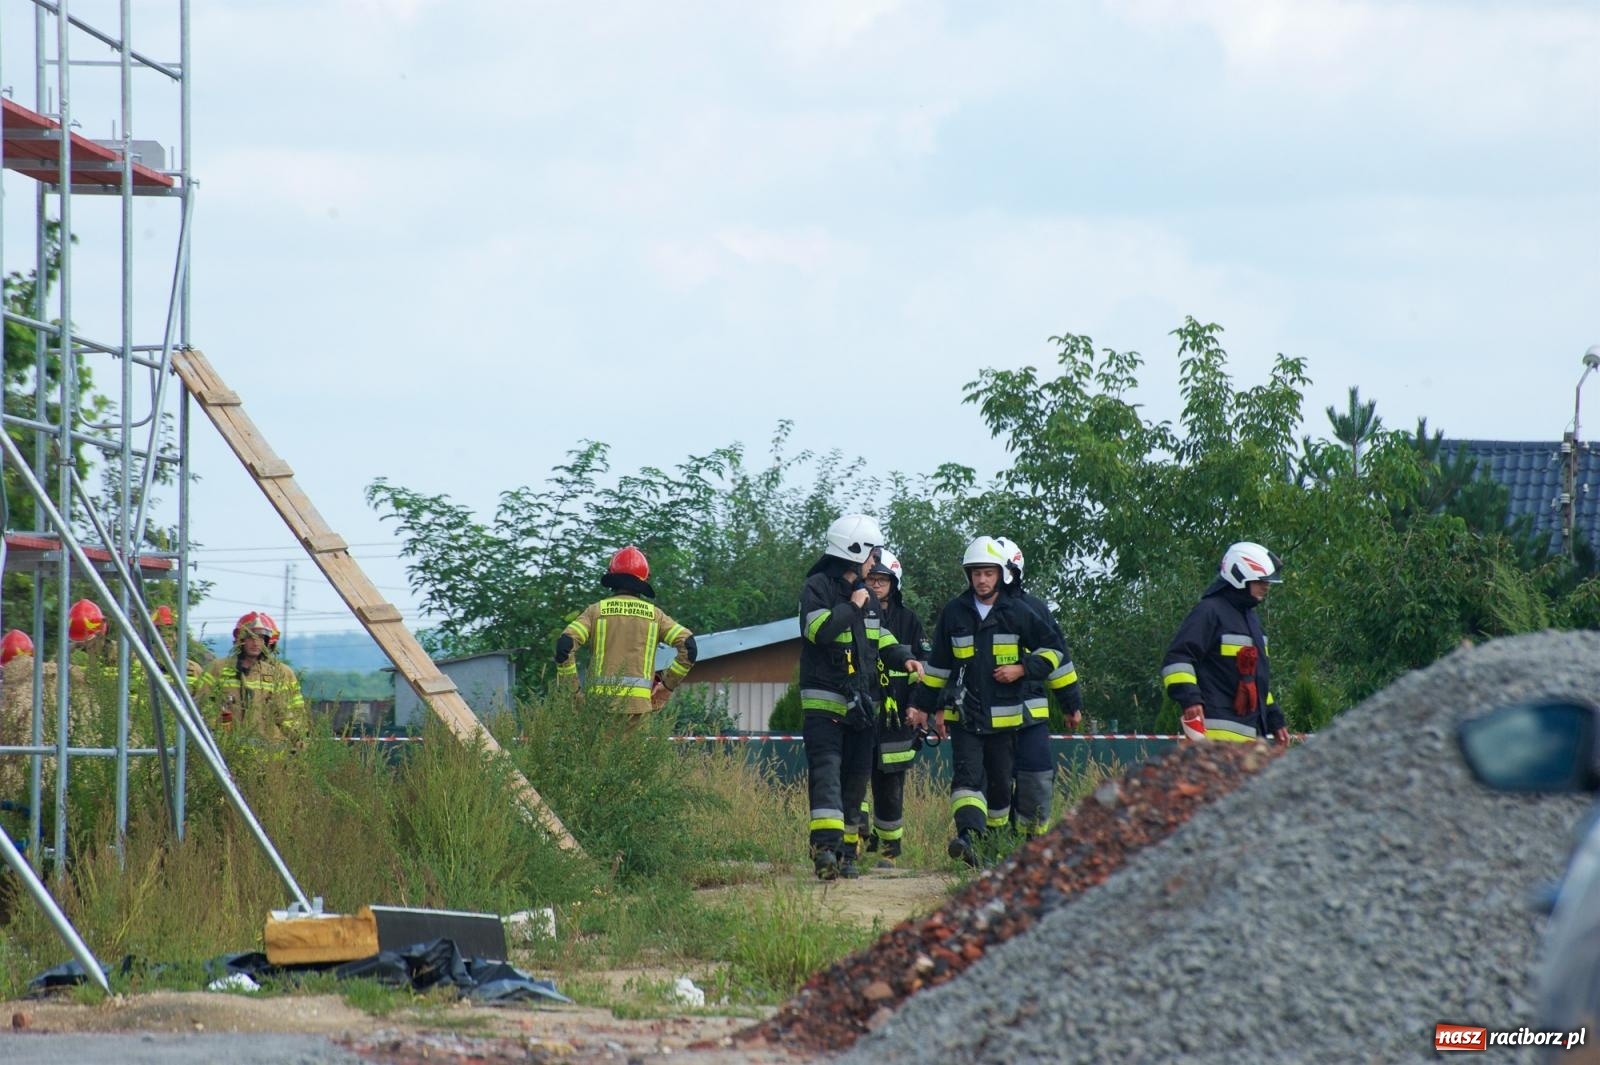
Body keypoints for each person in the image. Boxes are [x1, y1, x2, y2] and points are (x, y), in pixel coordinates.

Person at [910, 536, 1066, 867]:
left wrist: (1024, 668)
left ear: (1001, 575)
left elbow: (1054, 651)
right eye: (976, 573)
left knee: (998, 788)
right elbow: (937, 666)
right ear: (969, 576)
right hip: (965, 714)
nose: (982, 580)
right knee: (966, 778)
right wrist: (923, 706)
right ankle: (968, 836)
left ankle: (990, 848)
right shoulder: (954, 612)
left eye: (988, 573)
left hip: (1006, 720)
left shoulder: (1019, 612)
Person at [798, 514, 920, 880]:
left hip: (862, 707)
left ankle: (848, 853)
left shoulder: (868, 599)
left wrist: (906, 657)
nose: (875, 562)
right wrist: (851, 605)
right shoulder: (817, 587)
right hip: (825, 706)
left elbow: (880, 639)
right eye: (872, 554)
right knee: (827, 776)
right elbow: (817, 630)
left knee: (855, 782)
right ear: (854, 551)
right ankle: (825, 851)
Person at [992, 536, 1082, 838]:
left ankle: (1031, 842)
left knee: (1037, 776)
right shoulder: (969, 610)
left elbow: (1059, 661)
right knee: (993, 781)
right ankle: (991, 842)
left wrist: (1071, 704)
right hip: (986, 715)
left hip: (1029, 712)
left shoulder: (1033, 609)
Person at [1161, 541, 1289, 745]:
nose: (1267, 586)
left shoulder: (1251, 619)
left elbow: (1257, 678)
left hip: (1251, 738)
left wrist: (1274, 717)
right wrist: (1190, 699)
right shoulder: (1209, 612)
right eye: (1261, 580)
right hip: (1215, 739)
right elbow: (1177, 659)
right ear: (1240, 576)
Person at [554, 546, 697, 715]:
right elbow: (689, 647)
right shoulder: (655, 616)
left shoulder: (596, 612)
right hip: (639, 711)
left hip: (598, 711)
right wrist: (667, 686)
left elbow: (564, 646)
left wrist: (574, 693)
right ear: (644, 580)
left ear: (613, 576)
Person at [861, 548, 930, 865]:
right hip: (863, 707)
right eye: (872, 578)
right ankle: (858, 837)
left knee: (890, 783)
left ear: (894, 583)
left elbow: (922, 668)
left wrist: (917, 707)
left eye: (882, 580)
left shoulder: (908, 620)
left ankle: (890, 852)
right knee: (856, 775)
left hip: (897, 714)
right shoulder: (857, 612)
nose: (876, 584)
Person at [192, 611, 307, 745]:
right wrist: (217, 733)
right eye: (251, 637)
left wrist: (298, 741)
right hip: (227, 748)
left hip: (267, 750)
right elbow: (203, 704)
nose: (256, 643)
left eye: (260, 638)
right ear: (240, 640)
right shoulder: (218, 668)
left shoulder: (275, 674)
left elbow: (287, 714)